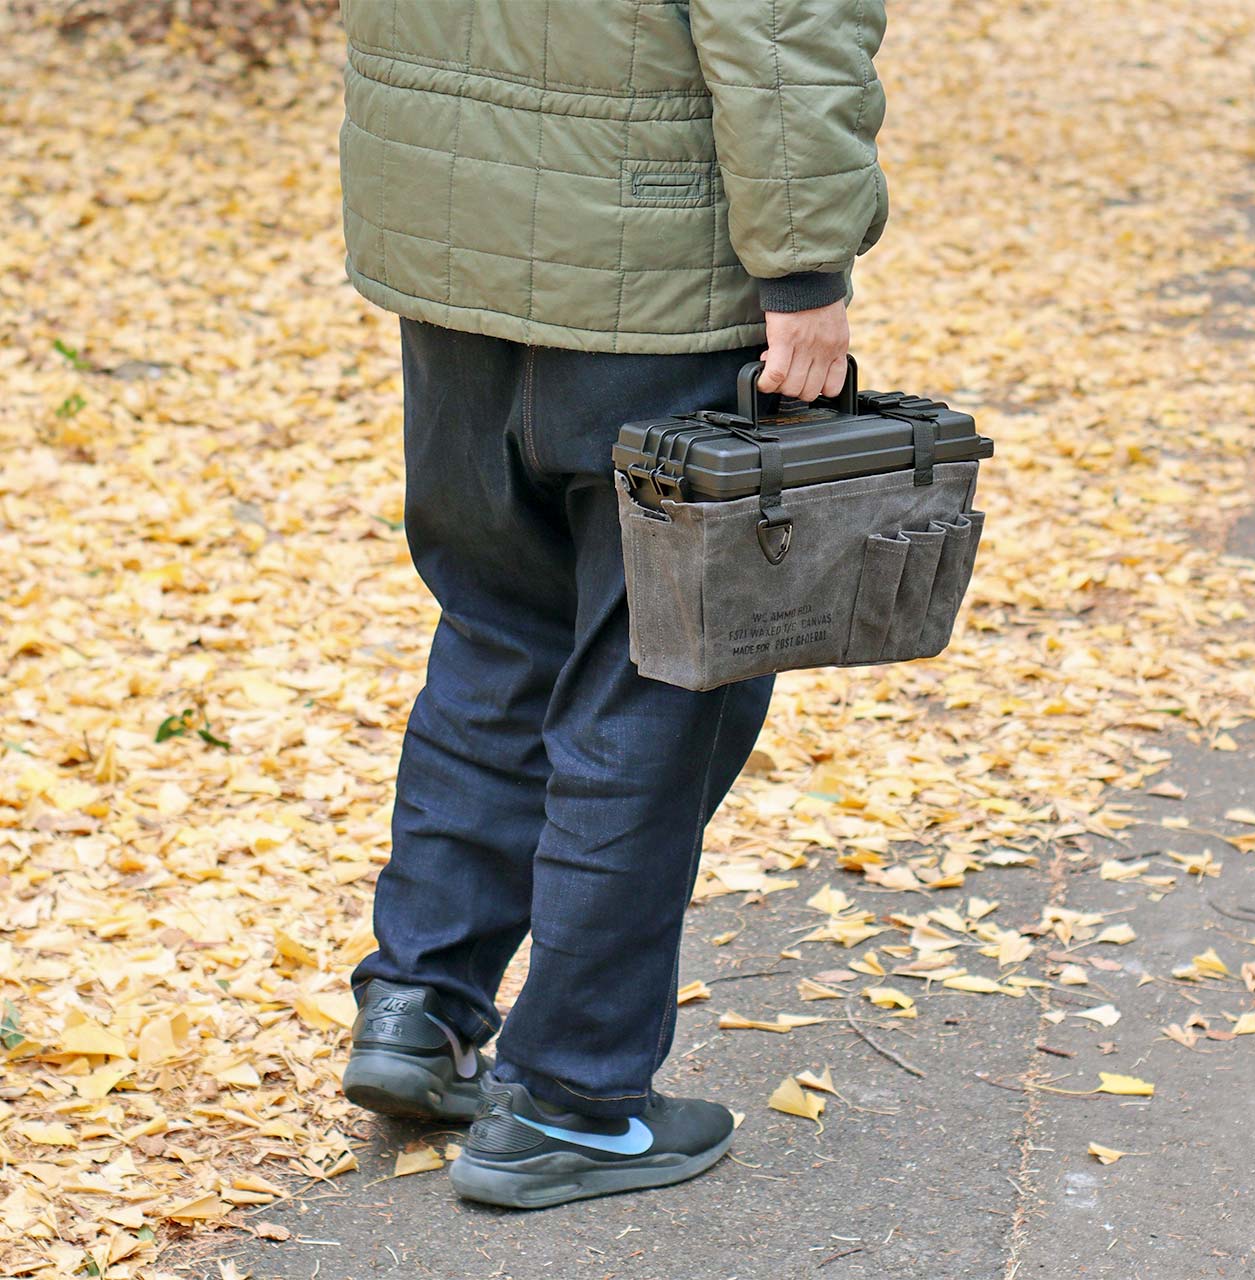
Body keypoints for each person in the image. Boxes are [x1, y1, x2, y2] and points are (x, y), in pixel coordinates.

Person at [336, 0, 889, 1208]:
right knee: (661, 674)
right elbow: (782, 28)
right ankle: (573, 1098)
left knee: (499, 627)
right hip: (647, 277)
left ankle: (420, 1006)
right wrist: (804, 274)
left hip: (448, 242)